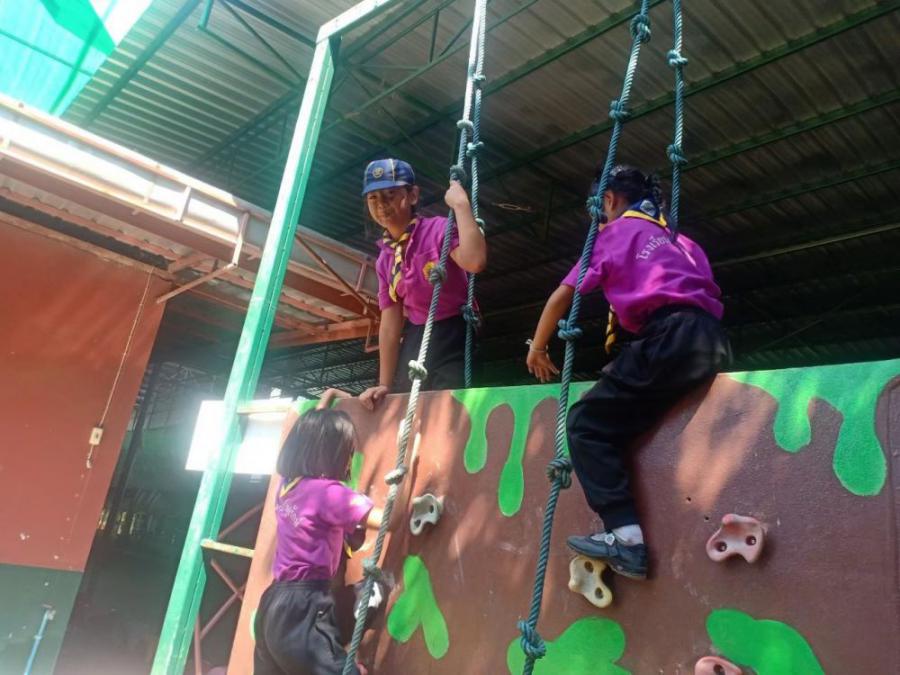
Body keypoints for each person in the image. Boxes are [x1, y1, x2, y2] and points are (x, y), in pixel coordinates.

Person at [525, 165, 731, 580]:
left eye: (597, 210)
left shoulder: (614, 233)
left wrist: (538, 346)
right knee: (630, 411)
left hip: (668, 335)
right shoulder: (681, 239)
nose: (597, 220)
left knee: (585, 424)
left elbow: (562, 296)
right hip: (711, 337)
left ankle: (626, 538)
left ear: (608, 200)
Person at [253, 407, 381, 675]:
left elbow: (311, 431)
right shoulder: (328, 494)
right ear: (333, 453)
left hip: (273, 606)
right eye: (348, 451)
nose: (349, 459)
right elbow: (388, 519)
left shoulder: (287, 486)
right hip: (304, 608)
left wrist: (329, 396)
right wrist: (407, 472)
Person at [358, 159, 487, 410]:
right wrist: (384, 383)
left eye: (390, 194)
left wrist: (461, 205)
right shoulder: (385, 258)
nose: (381, 204)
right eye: (373, 198)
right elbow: (390, 324)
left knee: (448, 406)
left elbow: (475, 261)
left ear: (413, 195)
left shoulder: (437, 230)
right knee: (407, 404)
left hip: (454, 329)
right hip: (417, 335)